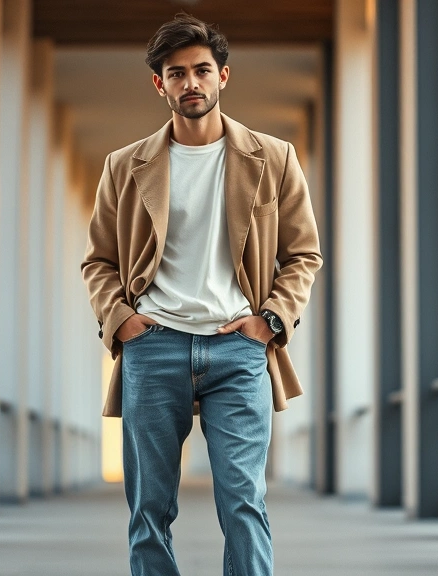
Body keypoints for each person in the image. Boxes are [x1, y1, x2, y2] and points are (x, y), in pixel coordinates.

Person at [80, 13, 322, 576]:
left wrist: (271, 320)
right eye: (178, 73)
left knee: (242, 503)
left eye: (202, 71)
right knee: (149, 510)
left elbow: (303, 254)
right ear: (159, 83)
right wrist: (120, 320)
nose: (192, 83)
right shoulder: (124, 166)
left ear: (223, 76)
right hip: (153, 345)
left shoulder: (274, 157)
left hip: (237, 348)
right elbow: (99, 261)